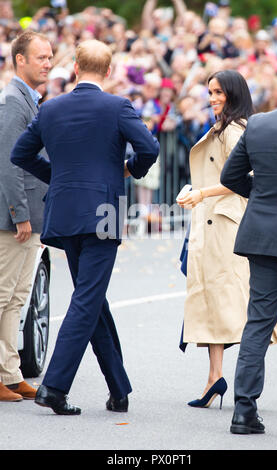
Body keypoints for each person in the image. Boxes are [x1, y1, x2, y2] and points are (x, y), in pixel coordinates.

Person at [11, 39, 159, 415]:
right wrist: (128, 169)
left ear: (76, 67)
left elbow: (20, 154)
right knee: (87, 300)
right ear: (108, 71)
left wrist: (56, 176)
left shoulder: (52, 107)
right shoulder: (117, 106)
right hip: (105, 211)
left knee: (92, 299)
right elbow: (150, 148)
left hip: (64, 212)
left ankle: (118, 389)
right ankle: (55, 387)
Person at [177, 69, 277, 410]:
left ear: (234, 94)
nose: (212, 98)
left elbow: (246, 177)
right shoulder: (225, 127)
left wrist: (201, 193)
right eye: (210, 92)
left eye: (219, 92)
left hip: (225, 224)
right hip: (213, 221)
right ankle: (215, 377)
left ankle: (231, 378)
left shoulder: (235, 130)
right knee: (216, 298)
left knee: (230, 298)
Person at [220, 58, 277, 435]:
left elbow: (230, 176)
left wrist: (264, 198)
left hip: (264, 235)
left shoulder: (261, 123)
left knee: (257, 325)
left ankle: (243, 410)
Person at [0, 30, 52, 402]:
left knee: (18, 298)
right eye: (40, 58)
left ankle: (10, 373)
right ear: (20, 60)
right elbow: (9, 162)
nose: (48, 64)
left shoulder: (29, 100)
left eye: (50, 57)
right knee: (3, 296)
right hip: (14, 218)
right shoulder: (13, 102)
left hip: (31, 215)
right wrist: (19, 214)